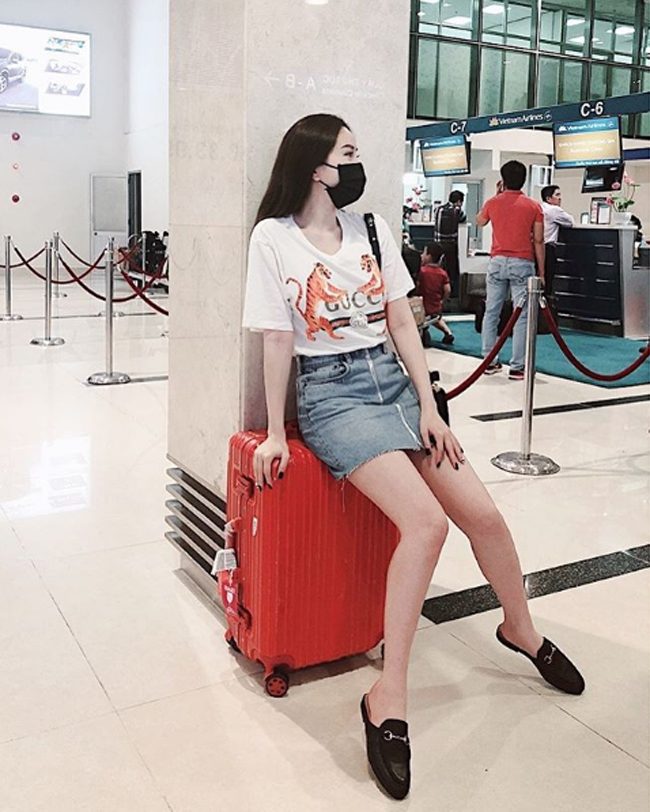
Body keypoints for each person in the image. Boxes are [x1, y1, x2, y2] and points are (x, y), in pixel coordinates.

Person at [242, 115, 584, 801]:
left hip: (396, 386)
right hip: (333, 395)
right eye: (348, 153)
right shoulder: (273, 238)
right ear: (315, 166)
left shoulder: (369, 228)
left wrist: (430, 405)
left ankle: (519, 627)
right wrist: (276, 430)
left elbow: (402, 319)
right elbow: (276, 338)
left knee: (483, 516)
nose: (356, 164)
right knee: (426, 525)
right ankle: (387, 695)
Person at [476, 161, 545, 381]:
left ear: (503, 180)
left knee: (491, 312)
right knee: (522, 315)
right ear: (524, 180)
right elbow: (539, 240)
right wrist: (542, 272)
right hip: (522, 263)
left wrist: (497, 196)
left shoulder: (493, 202)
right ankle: (517, 367)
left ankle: (489, 361)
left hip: (497, 262)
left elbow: (479, 221)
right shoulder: (533, 206)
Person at [417, 243, 454, 344]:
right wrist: (442, 301)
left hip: (422, 307)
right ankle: (448, 333)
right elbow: (448, 290)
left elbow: (417, 286)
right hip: (436, 307)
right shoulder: (442, 273)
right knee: (435, 318)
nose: (422, 255)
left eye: (424, 253)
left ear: (428, 256)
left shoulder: (422, 271)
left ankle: (422, 334)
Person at [541, 184, 574, 295]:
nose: (560, 198)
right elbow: (570, 222)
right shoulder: (554, 210)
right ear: (548, 198)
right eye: (557, 195)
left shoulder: (539, 208)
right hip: (548, 249)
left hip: (535, 249)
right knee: (548, 281)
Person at [433, 190, 467, 298]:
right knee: (452, 271)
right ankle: (451, 295)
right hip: (450, 245)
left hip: (437, 243)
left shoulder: (438, 209)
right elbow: (463, 220)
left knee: (438, 269)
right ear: (459, 201)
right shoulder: (457, 211)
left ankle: (438, 292)